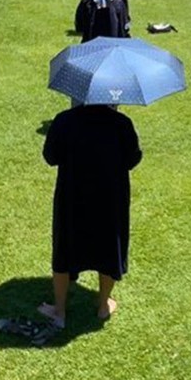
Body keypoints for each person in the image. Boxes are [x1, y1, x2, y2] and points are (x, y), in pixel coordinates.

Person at [41, 96, 143, 328]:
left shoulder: (64, 121)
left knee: (65, 248)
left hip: (72, 197)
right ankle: (103, 305)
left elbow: (50, 157)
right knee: (108, 247)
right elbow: (133, 158)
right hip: (110, 200)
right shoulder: (122, 124)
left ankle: (59, 311)